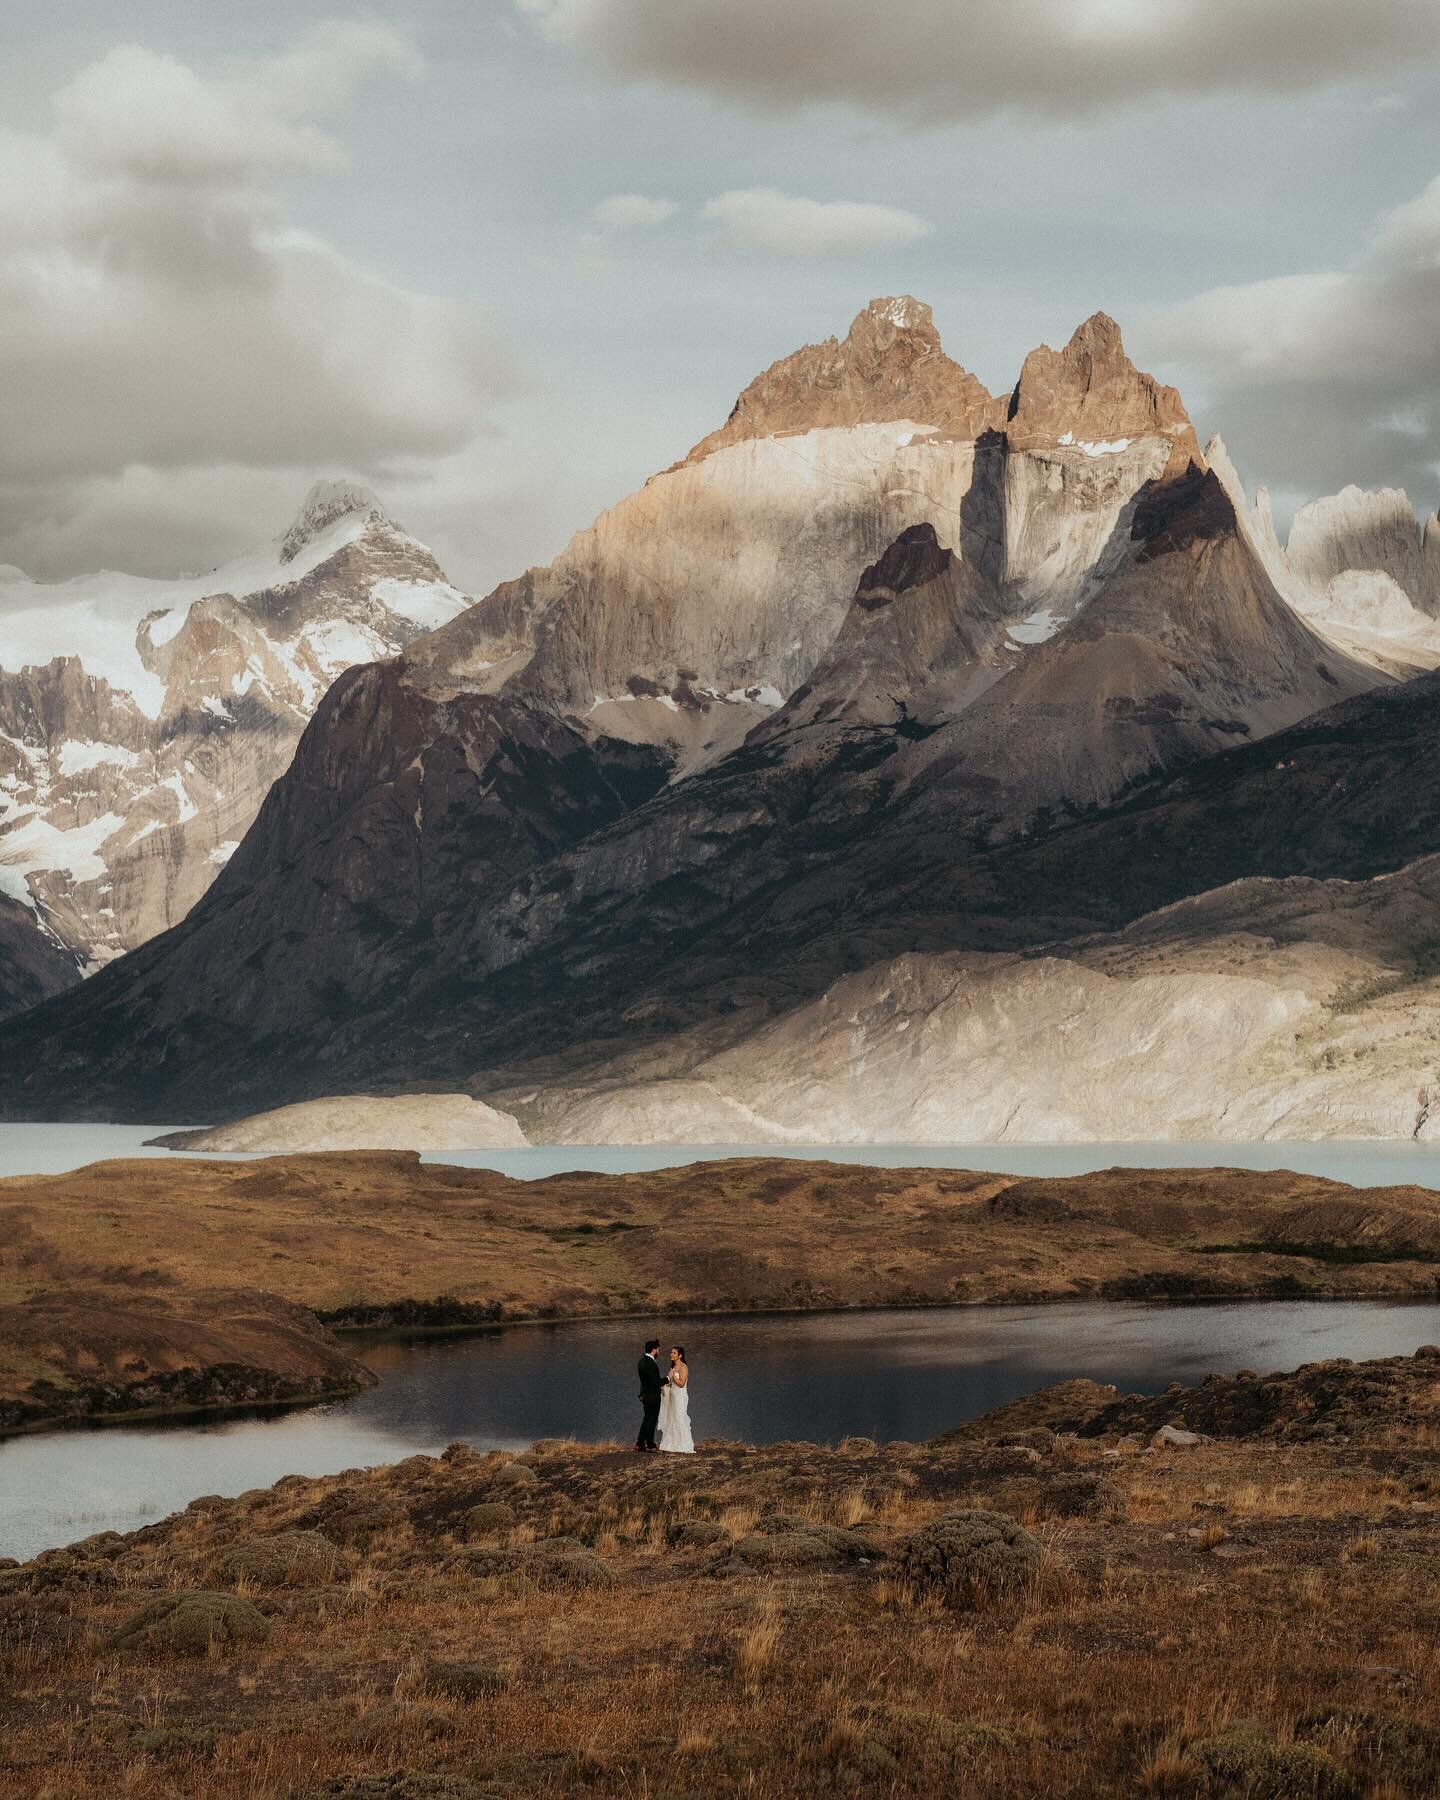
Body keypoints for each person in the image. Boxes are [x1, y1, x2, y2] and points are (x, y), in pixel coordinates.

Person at [657, 1345, 695, 1454]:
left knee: (679, 1417)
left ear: (680, 1355)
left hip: (680, 1397)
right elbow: (670, 1384)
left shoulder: (684, 1367)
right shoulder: (673, 1367)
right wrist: (664, 1387)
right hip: (672, 1397)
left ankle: (683, 1444)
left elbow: (682, 1384)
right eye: (671, 1352)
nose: (671, 1354)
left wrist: (673, 1376)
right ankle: (671, 1444)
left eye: (674, 1353)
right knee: (671, 1418)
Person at [636, 1337, 665, 1452]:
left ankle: (640, 1443)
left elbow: (647, 1381)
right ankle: (650, 1444)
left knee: (646, 1419)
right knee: (651, 1420)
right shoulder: (650, 1363)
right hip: (652, 1396)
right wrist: (668, 1378)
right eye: (658, 1349)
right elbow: (656, 1382)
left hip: (645, 1395)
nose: (659, 1351)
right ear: (654, 1350)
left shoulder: (642, 1361)